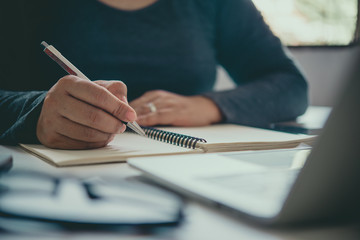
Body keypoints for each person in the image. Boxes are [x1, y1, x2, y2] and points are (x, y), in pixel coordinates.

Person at [0, 0, 308, 149]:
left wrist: (207, 106)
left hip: (187, 173)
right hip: (46, 178)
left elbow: (290, 84)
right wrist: (36, 111)